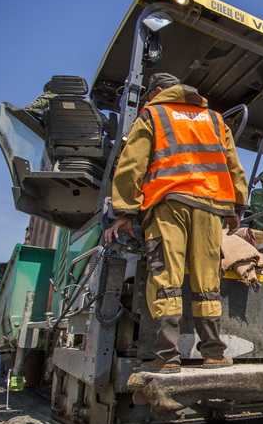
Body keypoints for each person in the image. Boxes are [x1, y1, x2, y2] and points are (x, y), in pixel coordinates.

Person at [104, 73, 250, 374]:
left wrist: (125, 211)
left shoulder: (153, 113)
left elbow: (132, 164)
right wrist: (236, 207)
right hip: (210, 207)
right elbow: (233, 165)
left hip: (167, 203)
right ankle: (212, 353)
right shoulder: (214, 119)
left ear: (158, 91)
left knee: (166, 278)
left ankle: (167, 357)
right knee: (207, 280)